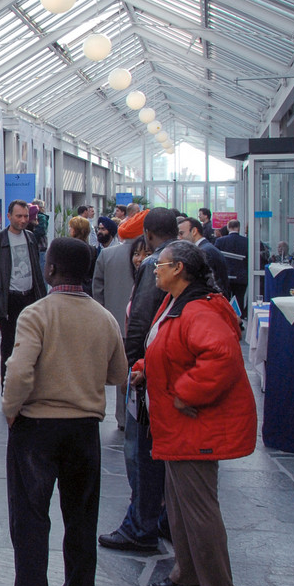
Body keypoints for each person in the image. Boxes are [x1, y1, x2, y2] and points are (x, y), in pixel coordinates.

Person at [3, 238, 128, 586]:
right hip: (84, 431)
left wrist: (11, 409)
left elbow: (20, 371)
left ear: (51, 270)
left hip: (37, 428)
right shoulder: (104, 317)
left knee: (31, 521)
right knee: (82, 519)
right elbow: (118, 374)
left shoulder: (36, 314)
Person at [138, 240, 256, 586]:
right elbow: (172, 349)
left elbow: (221, 356)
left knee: (199, 511)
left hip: (194, 427)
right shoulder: (180, 302)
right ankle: (187, 573)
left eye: (162, 263)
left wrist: (184, 393)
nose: (155, 267)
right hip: (181, 429)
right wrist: (147, 368)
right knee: (179, 506)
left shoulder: (197, 309)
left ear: (180, 271)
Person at [99, 208, 179, 553]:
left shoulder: (155, 265)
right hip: (175, 368)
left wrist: (131, 368)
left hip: (151, 370)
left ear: (147, 234)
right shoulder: (190, 256)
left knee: (141, 452)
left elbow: (141, 320)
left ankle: (140, 525)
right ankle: (164, 518)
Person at [0, 200, 47, 389]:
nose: (23, 220)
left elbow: (37, 271)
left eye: (26, 216)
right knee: (9, 345)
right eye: (19, 216)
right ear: (9, 216)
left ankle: (29, 387)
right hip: (9, 301)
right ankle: (7, 388)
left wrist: (41, 298)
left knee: (32, 343)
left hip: (30, 298)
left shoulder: (31, 238)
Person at [92, 231, 135, 429]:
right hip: (145, 325)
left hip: (116, 322)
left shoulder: (108, 254)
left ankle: (123, 417)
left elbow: (97, 290)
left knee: (121, 371)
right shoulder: (160, 257)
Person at [178, 217, 230, 297]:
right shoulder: (207, 248)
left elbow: (209, 283)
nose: (179, 238)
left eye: (181, 233)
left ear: (194, 231)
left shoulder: (203, 252)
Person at [215, 220, 249, 314]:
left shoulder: (220, 241)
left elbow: (216, 258)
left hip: (226, 275)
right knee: (239, 299)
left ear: (228, 227)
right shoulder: (246, 242)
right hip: (241, 276)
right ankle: (239, 321)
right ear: (239, 228)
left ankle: (226, 320)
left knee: (225, 299)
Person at [68, 216, 97, 296]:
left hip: (71, 288)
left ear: (74, 230)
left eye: (70, 227)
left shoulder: (69, 247)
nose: (69, 229)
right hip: (87, 288)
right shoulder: (92, 249)